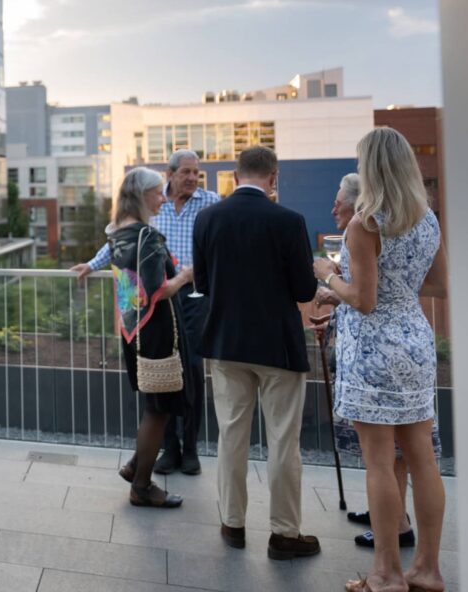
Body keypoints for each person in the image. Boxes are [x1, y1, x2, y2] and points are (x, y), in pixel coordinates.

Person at [313, 128, 446, 592]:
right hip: (415, 340)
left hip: (373, 349)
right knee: (421, 459)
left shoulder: (365, 223)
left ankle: (387, 573)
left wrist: (331, 277)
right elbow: (437, 285)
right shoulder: (425, 219)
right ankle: (427, 569)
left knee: (378, 463)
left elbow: (363, 300)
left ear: (370, 167)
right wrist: (398, 287)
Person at [192, 145, 320, 560]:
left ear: (234, 176)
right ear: (274, 178)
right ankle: (284, 533)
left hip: (226, 342)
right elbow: (304, 290)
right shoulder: (289, 221)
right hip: (278, 346)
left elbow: (205, 284)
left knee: (232, 435)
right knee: (283, 440)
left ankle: (232, 523)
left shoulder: (207, 218)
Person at [70, 150, 219, 475]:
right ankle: (166, 451)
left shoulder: (210, 202)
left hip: (193, 301)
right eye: (186, 172)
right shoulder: (147, 220)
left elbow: (119, 242)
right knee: (161, 381)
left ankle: (189, 448)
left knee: (191, 373)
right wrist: (92, 264)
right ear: (170, 174)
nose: (193, 178)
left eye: (197, 173)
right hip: (162, 306)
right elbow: (118, 247)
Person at [108, 168, 194, 509]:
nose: (164, 197)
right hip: (157, 332)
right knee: (159, 409)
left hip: (132, 330)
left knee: (155, 406)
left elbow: (130, 294)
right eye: (159, 192)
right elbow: (154, 292)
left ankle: (135, 465)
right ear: (142, 195)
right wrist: (185, 276)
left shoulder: (118, 233)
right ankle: (142, 486)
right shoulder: (148, 236)